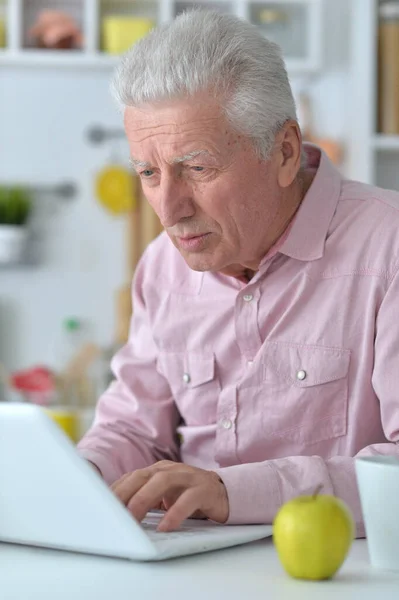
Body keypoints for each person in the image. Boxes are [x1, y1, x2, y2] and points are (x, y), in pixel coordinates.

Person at [78, 9, 399, 536]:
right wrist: (80, 476)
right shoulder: (162, 266)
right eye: (148, 173)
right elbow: (133, 427)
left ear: (285, 153)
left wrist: (233, 492)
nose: (169, 208)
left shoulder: (387, 249)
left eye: (197, 168)